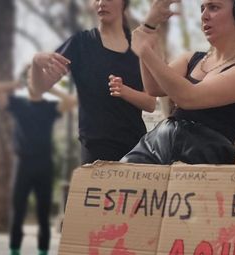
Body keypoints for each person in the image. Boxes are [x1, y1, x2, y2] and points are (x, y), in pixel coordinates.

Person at [120, 0, 235, 165]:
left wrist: (145, 51)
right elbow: (154, 87)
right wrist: (148, 27)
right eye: (202, 9)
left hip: (200, 160)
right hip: (156, 146)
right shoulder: (191, 59)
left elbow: (188, 97)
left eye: (214, 8)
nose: (204, 16)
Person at [30, 0, 155, 164]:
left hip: (135, 150)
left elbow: (150, 103)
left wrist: (124, 91)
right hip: (95, 150)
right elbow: (38, 89)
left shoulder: (138, 47)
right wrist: (36, 63)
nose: (102, 3)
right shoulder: (80, 43)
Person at [0, 68, 77, 255]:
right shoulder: (18, 103)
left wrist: (50, 89)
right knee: (17, 213)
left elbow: (72, 101)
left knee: (44, 216)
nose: (34, 82)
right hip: (22, 164)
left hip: (44, 165)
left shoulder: (50, 107)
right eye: (31, 78)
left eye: (38, 79)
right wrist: (13, 85)